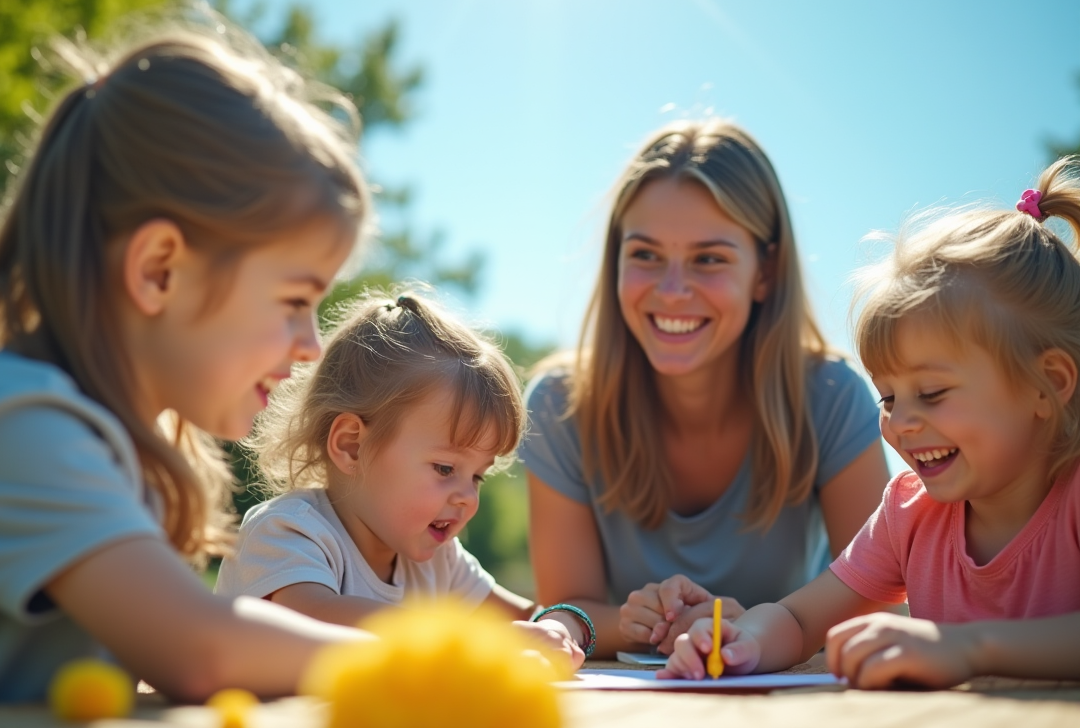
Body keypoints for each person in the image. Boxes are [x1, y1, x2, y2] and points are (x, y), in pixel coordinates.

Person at [0, 12, 373, 715]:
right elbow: (200, 651)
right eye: (295, 300)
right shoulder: (4, 423)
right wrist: (431, 661)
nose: (311, 344)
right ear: (159, 270)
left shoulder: (103, 449)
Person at [662, 159, 1080, 688]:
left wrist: (972, 647)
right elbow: (800, 617)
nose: (901, 422)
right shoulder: (910, 513)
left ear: (1048, 385)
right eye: (887, 397)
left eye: (931, 393)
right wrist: (746, 640)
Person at [521, 119, 891, 657]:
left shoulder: (832, 397)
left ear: (765, 271)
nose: (672, 291)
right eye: (645, 254)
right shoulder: (558, 406)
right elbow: (569, 610)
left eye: (709, 259)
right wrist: (655, 623)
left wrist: (757, 628)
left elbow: (875, 600)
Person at [216, 291, 587, 672]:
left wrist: (559, 627)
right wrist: (479, 639)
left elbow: (528, 615)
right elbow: (315, 617)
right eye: (445, 469)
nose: (467, 499)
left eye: (478, 476)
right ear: (352, 446)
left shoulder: (440, 563)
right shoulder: (287, 531)